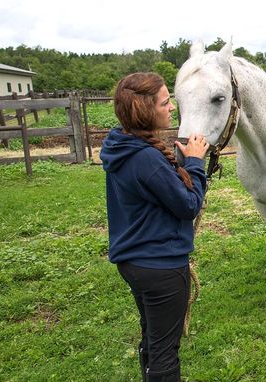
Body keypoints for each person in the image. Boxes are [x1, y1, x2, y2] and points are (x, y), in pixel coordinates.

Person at [100, 72, 209, 382]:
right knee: (164, 351)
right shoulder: (146, 159)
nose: (172, 107)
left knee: (151, 337)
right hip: (161, 267)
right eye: (165, 102)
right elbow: (188, 205)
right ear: (146, 110)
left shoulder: (120, 145)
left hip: (134, 262)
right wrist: (196, 163)